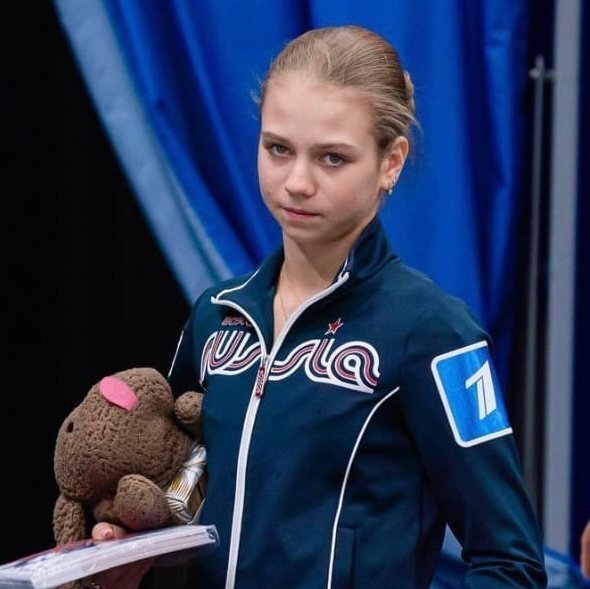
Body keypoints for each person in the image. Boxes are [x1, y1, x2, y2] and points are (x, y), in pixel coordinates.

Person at [89, 24, 547, 589]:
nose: (297, 182)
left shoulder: (434, 332)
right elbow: (177, 498)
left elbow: (511, 565)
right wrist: (124, 547)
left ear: (391, 161)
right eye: (278, 149)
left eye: (332, 158)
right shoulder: (216, 315)